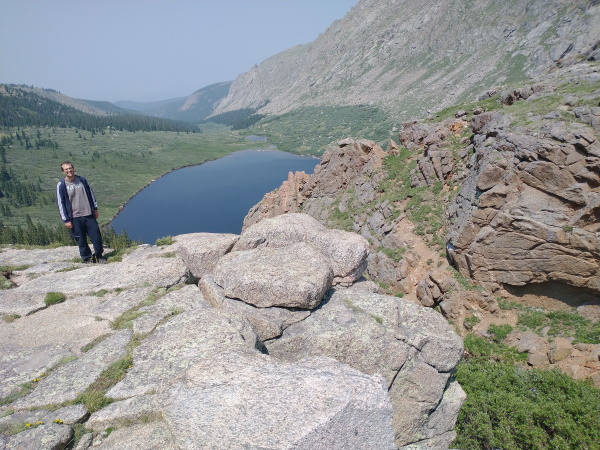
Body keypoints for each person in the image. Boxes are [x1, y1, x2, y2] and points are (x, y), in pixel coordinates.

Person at [56, 161, 106, 264]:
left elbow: (91, 194)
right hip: (74, 217)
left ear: (73, 168)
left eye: (70, 168)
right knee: (81, 239)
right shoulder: (61, 185)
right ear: (63, 171)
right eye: (66, 169)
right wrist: (66, 219)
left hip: (88, 214)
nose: (69, 170)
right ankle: (86, 258)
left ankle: (99, 256)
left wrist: (95, 208)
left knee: (96, 236)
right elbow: (60, 203)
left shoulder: (82, 180)